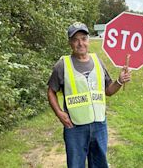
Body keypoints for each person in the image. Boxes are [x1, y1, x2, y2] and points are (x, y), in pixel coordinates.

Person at [47, 22, 131, 168]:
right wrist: (59, 113)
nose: (80, 43)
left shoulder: (97, 61)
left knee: (99, 164)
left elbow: (108, 91)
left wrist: (119, 81)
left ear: (88, 40)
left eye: (84, 38)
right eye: (75, 39)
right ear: (70, 43)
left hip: (99, 124)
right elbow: (51, 91)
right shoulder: (62, 65)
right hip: (75, 127)